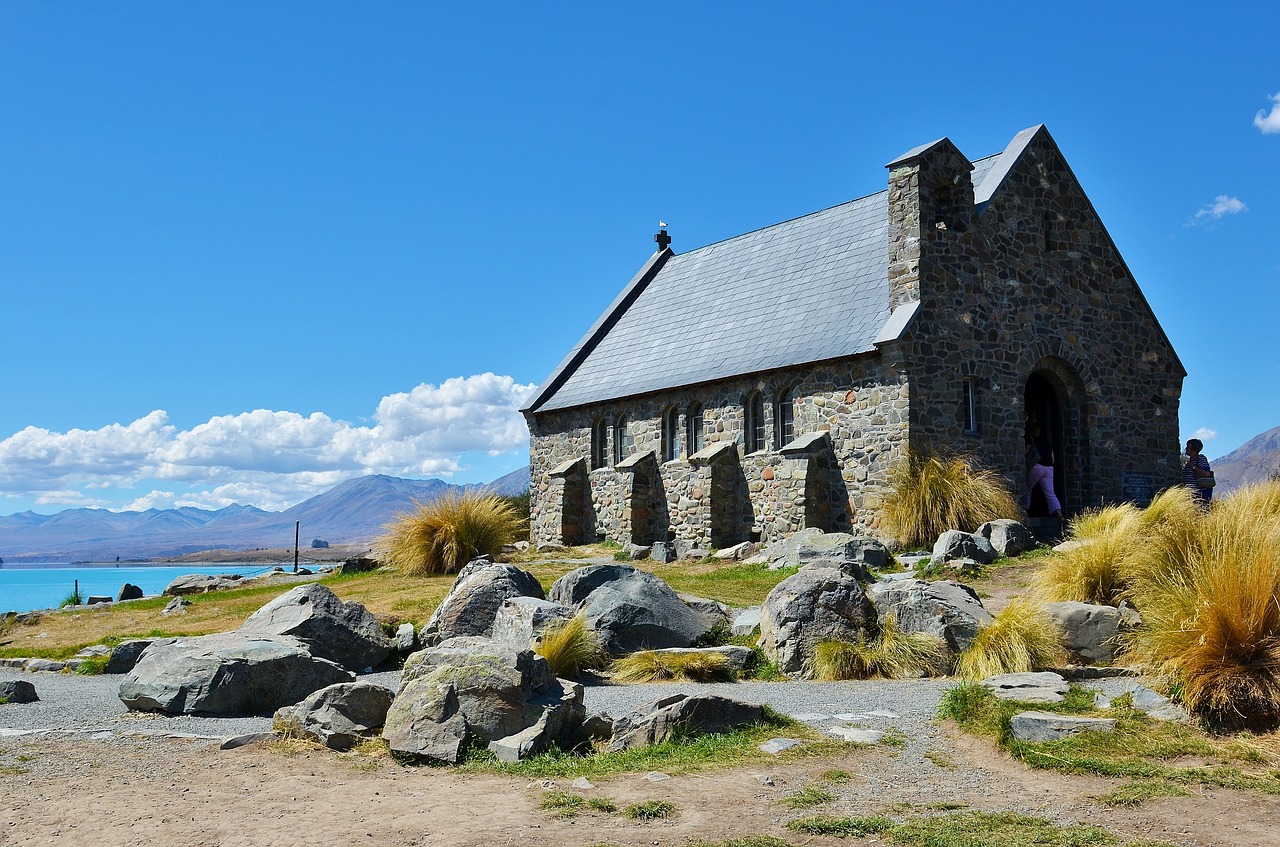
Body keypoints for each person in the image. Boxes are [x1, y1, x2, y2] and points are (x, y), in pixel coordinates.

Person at [1025, 423, 1064, 528]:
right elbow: (1053, 459)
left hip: (1037, 466)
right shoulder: (1046, 442)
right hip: (1049, 468)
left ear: (1032, 432)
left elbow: (1027, 451)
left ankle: (1026, 513)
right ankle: (1059, 515)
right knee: (1050, 493)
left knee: (1028, 489)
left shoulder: (1032, 440)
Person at [1182, 438, 1213, 508]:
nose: (1186, 449)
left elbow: (1207, 474)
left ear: (1194, 449)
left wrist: (1193, 467)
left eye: (1188, 447)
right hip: (1189, 495)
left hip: (1199, 495)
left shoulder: (1200, 459)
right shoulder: (1189, 462)